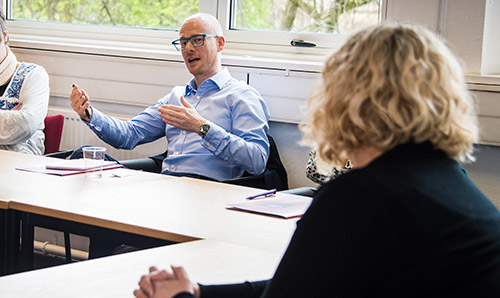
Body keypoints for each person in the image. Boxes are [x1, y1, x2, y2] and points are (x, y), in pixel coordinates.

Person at [134, 23, 500, 297]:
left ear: (342, 98)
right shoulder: (452, 181)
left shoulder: (361, 196)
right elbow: (304, 284)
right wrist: (199, 292)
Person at [69, 13, 270, 182]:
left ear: (220, 43)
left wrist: (202, 128)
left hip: (208, 192)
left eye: (197, 40)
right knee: (83, 155)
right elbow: (129, 134)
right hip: (165, 187)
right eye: (183, 43)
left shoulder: (241, 96)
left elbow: (257, 161)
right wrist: (90, 114)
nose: (188, 48)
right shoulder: (176, 96)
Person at [0, 9, 50, 155]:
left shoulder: (34, 74)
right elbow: (14, 128)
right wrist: (7, 118)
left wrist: (16, 124)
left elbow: (25, 124)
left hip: (20, 169)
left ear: (4, 36)